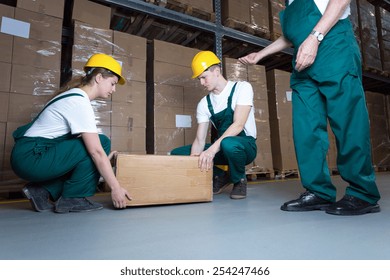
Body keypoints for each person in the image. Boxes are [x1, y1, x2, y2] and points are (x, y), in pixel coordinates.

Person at [239, 0, 381, 215]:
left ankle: (363, 193)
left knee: (348, 122)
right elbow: (291, 36)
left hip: (333, 49)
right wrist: (260, 55)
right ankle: (318, 191)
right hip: (303, 62)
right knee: (306, 129)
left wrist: (315, 38)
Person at [11, 53, 131, 213]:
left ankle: (42, 190)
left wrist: (103, 162)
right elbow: (95, 151)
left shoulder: (74, 96)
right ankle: (73, 198)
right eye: (113, 83)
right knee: (101, 144)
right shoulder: (79, 102)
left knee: (98, 148)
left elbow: (82, 154)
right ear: (99, 78)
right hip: (31, 157)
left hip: (30, 155)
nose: (114, 89)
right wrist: (115, 187)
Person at [171, 50, 257, 199]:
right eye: (199, 79)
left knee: (229, 143)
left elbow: (238, 125)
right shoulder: (204, 104)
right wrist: (194, 163)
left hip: (244, 147)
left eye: (204, 77)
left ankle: (239, 180)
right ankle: (221, 176)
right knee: (178, 153)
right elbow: (199, 140)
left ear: (216, 71)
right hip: (221, 148)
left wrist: (211, 151)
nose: (201, 83)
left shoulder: (242, 88)